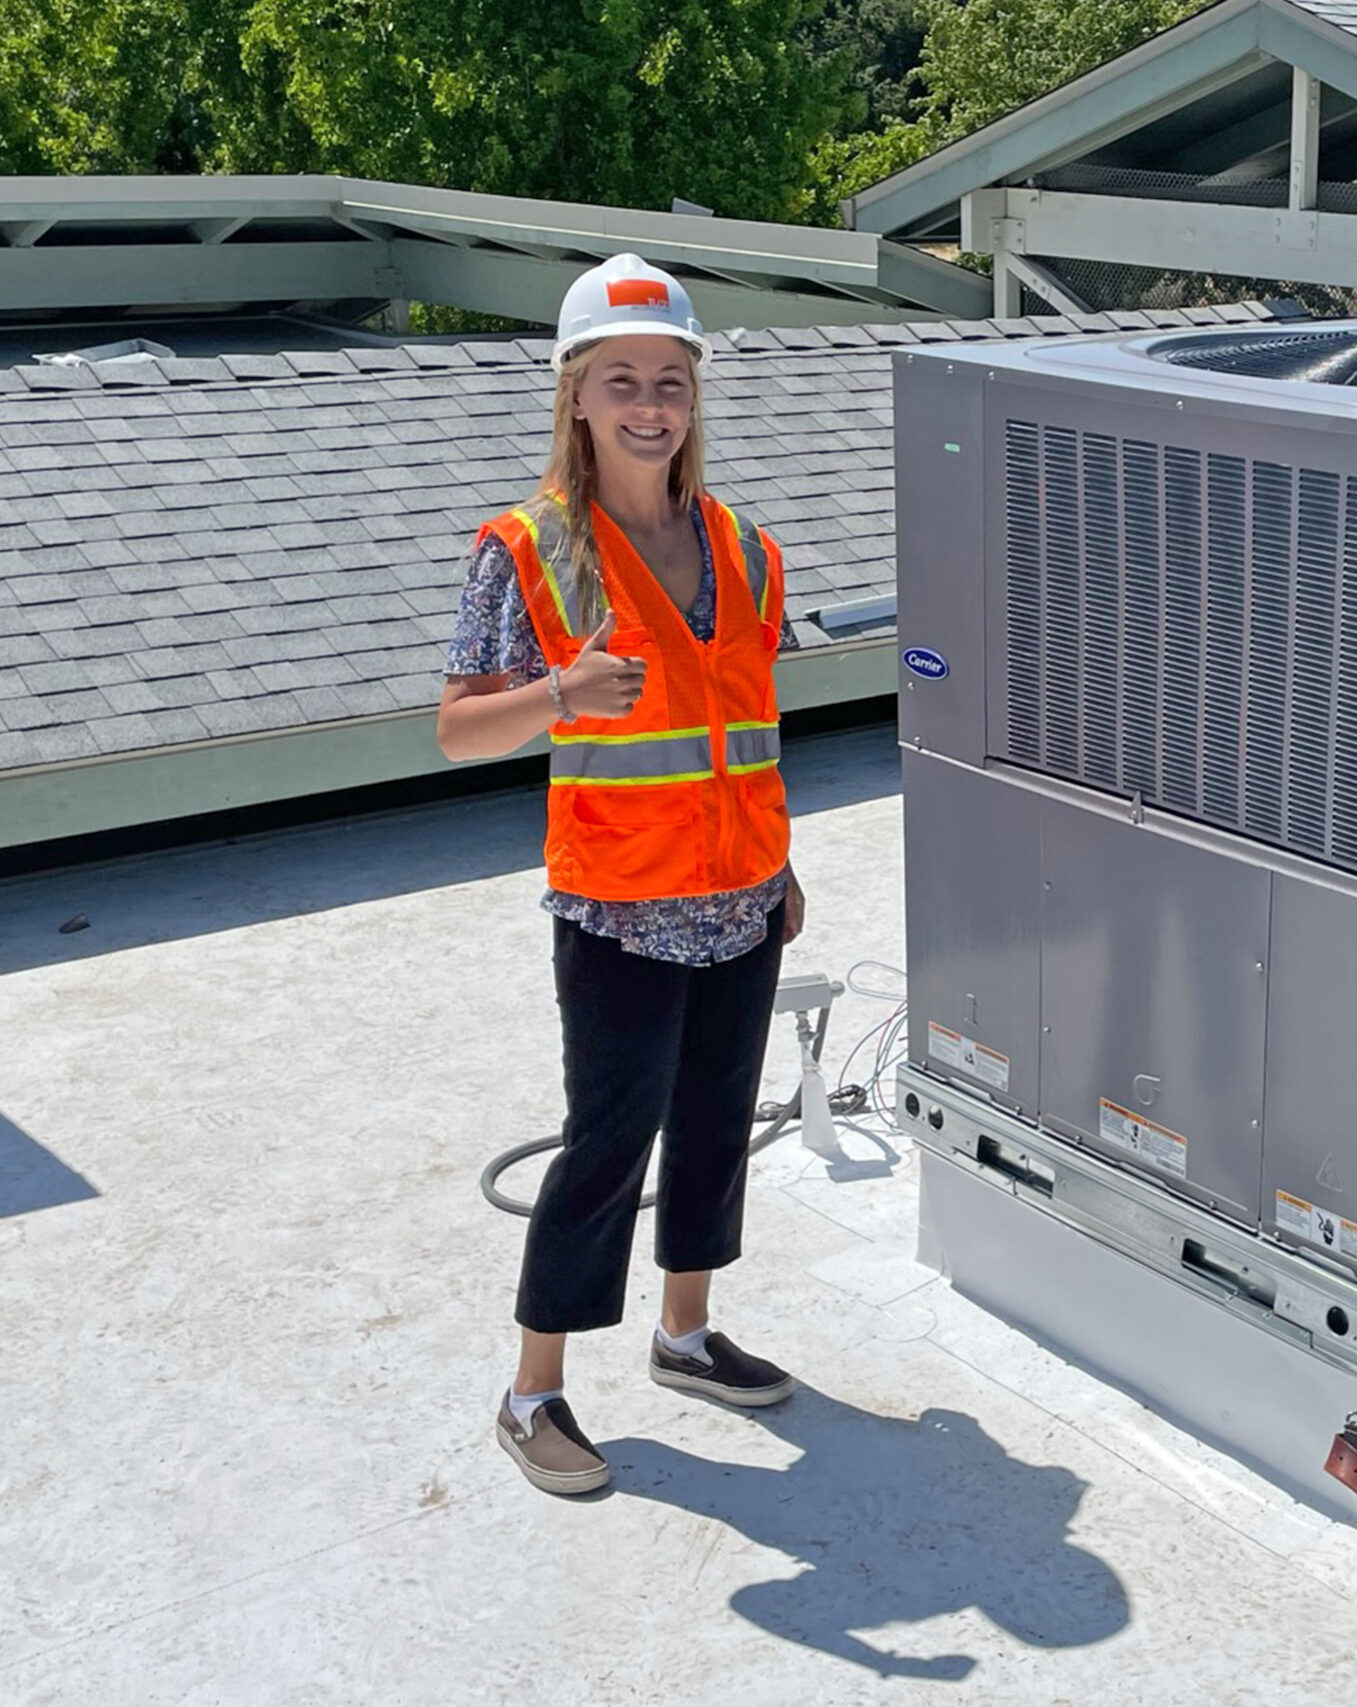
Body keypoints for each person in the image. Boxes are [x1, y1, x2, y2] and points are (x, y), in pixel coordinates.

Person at [437, 254, 807, 1495]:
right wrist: (555, 694)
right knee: (607, 1147)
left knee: (715, 1131)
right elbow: (457, 728)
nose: (650, 402)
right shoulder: (531, 549)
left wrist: (782, 869)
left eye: (669, 379)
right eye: (620, 380)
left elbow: (746, 724)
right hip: (621, 910)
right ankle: (531, 1389)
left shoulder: (746, 548)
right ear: (577, 396)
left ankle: (685, 1334)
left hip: (742, 899)